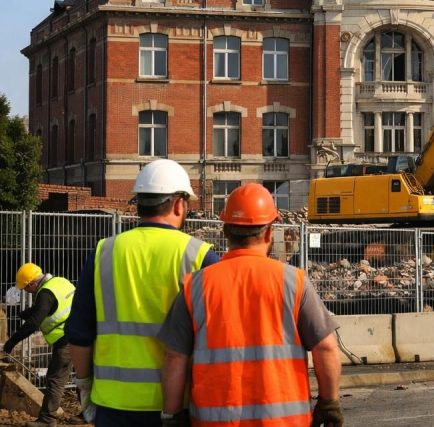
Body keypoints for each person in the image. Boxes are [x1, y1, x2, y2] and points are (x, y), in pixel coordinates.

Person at [158, 183, 342, 427]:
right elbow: (326, 348)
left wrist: (171, 416)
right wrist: (329, 404)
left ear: (225, 231)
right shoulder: (293, 282)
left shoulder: (197, 286)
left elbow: (175, 358)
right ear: (269, 233)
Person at [65, 159, 219, 427]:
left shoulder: (104, 252)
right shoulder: (200, 256)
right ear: (180, 203)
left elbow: (79, 334)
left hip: (113, 404)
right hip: (177, 404)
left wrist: (84, 386)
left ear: (139, 203)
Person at [3, 263, 76, 427]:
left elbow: (34, 323)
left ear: (32, 283)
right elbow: (49, 307)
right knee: (83, 377)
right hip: (82, 334)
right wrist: (25, 313)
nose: (26, 291)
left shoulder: (44, 294)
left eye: (25, 288)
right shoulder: (59, 282)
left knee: (55, 379)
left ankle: (47, 419)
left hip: (67, 339)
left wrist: (11, 342)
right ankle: (88, 413)